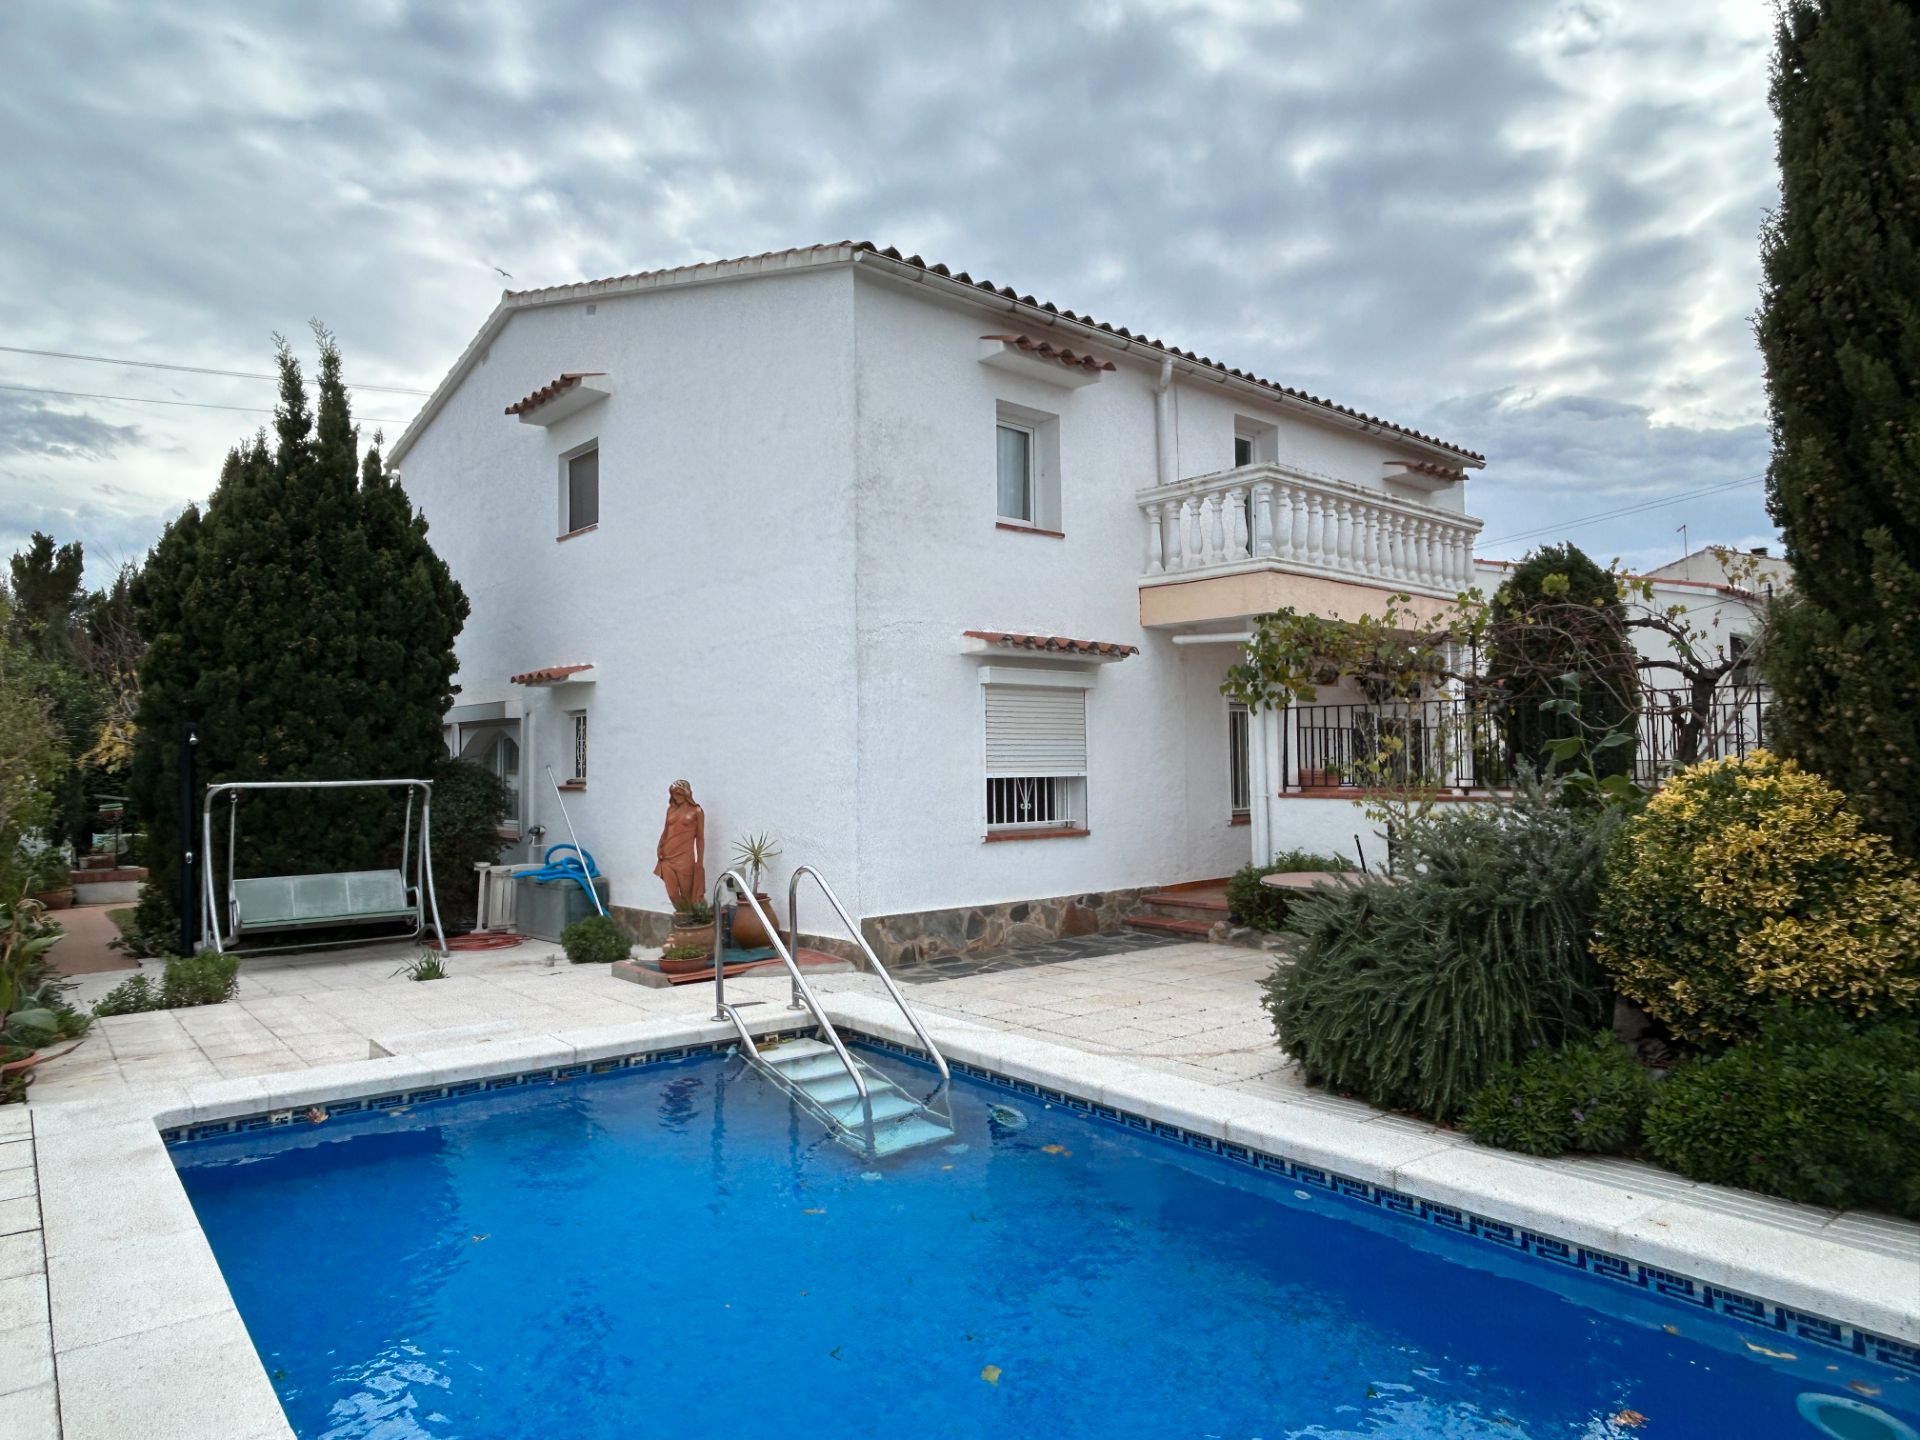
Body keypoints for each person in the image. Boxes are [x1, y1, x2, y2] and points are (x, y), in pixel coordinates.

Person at [653, 780, 706, 908]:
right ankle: (684, 915)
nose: (676, 797)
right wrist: (659, 847)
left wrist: (699, 861)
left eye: (679, 794)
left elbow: (700, 838)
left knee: (687, 894)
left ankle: (689, 919)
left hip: (685, 858)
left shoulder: (697, 811)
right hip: (667, 857)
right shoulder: (670, 810)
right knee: (672, 893)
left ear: (687, 794)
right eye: (674, 794)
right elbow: (666, 830)